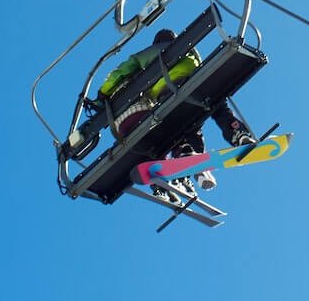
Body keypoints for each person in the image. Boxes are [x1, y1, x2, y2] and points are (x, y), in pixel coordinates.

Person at [97, 27, 254, 196]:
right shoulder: (190, 48)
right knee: (215, 107)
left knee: (175, 125)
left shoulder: (150, 53)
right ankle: (236, 132)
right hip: (196, 86)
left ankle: (185, 152)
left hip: (168, 93)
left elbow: (124, 70)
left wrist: (102, 94)